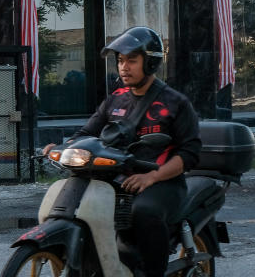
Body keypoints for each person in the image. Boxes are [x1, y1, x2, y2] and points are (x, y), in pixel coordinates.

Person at [51, 26, 202, 277]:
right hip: (116, 179)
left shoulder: (175, 102)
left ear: (151, 63)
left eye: (132, 60)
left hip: (161, 182)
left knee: (142, 212)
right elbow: (85, 135)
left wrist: (152, 177)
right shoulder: (115, 100)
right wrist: (62, 148)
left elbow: (190, 152)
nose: (124, 67)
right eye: (121, 61)